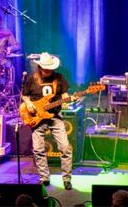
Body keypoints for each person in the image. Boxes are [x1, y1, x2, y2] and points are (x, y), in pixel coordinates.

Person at [21, 53, 74, 190]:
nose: (48, 71)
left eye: (50, 69)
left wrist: (67, 99)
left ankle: (67, 179)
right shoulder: (32, 78)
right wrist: (28, 103)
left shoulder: (59, 78)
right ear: (40, 67)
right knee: (38, 149)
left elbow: (65, 94)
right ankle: (44, 178)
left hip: (54, 116)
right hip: (37, 117)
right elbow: (24, 95)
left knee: (65, 148)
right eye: (45, 69)